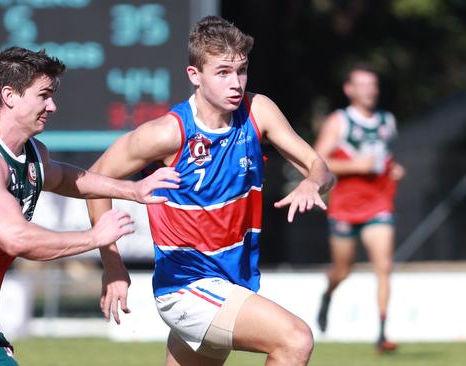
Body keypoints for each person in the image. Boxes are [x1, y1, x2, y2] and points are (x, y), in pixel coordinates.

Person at [0, 47, 180, 366]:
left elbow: (69, 177)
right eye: (44, 95)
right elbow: (17, 238)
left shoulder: (33, 155)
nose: (52, 106)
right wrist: (93, 237)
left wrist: (133, 189)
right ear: (10, 95)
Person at [87, 16, 334, 366]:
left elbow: (320, 167)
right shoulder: (167, 134)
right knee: (295, 340)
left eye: (242, 70)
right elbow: (95, 181)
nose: (235, 83)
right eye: (222, 72)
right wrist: (112, 266)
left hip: (230, 283)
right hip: (186, 286)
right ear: (194, 76)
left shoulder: (257, 112)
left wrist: (312, 181)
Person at [313, 63, 405, 353]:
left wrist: (394, 170)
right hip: (344, 208)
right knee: (343, 270)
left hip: (378, 206)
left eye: (373, 85)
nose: (369, 90)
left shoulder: (386, 121)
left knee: (384, 267)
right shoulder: (339, 122)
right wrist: (355, 166)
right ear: (349, 90)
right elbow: (316, 160)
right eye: (362, 85)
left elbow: (385, 159)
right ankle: (329, 293)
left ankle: (381, 334)